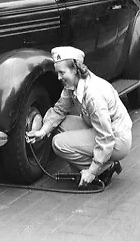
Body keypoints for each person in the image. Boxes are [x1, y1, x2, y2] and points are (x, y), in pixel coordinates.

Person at [26, 46, 132, 188]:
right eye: (58, 73)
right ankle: (99, 165)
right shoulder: (73, 84)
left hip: (116, 139)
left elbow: (106, 138)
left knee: (58, 143)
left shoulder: (94, 95)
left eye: (62, 73)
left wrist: (93, 171)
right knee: (59, 125)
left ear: (75, 69)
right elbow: (59, 110)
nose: (58, 77)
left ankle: (101, 170)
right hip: (98, 129)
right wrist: (42, 132)